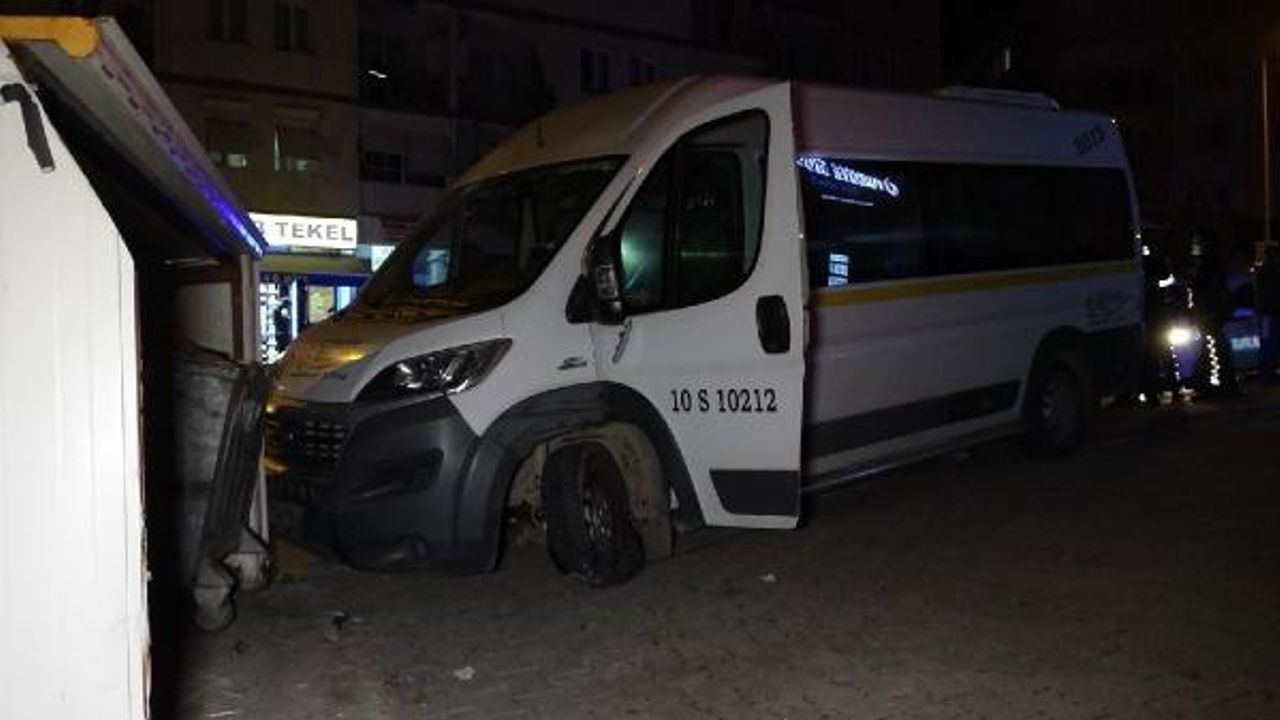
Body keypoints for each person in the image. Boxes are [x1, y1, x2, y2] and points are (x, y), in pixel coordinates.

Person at [1186, 237, 1239, 396]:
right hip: (1212, 313)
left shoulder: (1207, 267)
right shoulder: (1213, 266)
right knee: (1215, 347)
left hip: (1209, 314)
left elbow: (1206, 291)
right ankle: (1219, 382)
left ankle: (1209, 383)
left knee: (1213, 347)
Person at [1256, 244, 1280, 381]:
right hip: (1269, 312)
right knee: (1269, 341)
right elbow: (1270, 293)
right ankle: (1266, 371)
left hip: (1268, 312)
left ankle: (1267, 371)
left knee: (1268, 341)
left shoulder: (1265, 271)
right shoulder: (1270, 271)